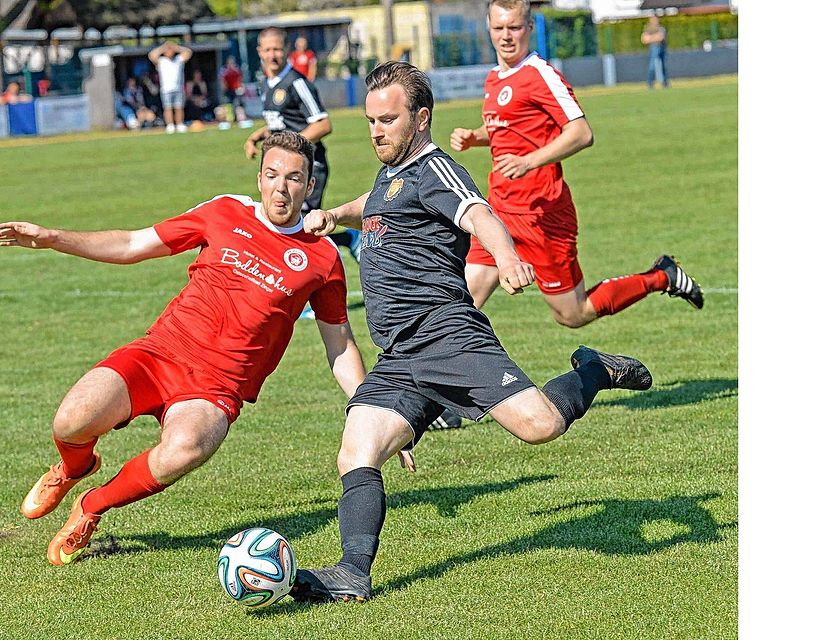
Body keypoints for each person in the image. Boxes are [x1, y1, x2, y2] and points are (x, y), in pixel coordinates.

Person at [290, 61, 654, 603]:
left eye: (388, 120)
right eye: (370, 121)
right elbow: (380, 203)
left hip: (448, 338)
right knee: (356, 449)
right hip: (401, 353)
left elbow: (480, 214)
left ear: (421, 119)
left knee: (539, 427)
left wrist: (505, 258)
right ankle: (352, 572)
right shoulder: (393, 168)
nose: (376, 131)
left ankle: (594, 371)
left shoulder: (437, 168)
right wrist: (336, 213)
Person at [0, 131, 414, 566]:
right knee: (70, 421)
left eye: (293, 178)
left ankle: (91, 506)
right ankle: (74, 468)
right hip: (160, 354)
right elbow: (134, 244)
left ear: (309, 186)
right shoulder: (223, 211)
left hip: (217, 387)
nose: (280, 188)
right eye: (271, 175)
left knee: (187, 448)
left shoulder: (322, 257)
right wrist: (53, 237)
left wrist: (373, 410)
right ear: (259, 177)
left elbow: (339, 346)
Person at [449, 0, 700, 331]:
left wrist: (530, 161)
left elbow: (581, 133)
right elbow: (508, 130)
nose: (506, 36)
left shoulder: (540, 75)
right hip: (499, 211)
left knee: (573, 313)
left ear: (529, 29)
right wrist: (476, 137)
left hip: (543, 214)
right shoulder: (495, 78)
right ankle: (433, 378)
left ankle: (661, 276)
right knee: (461, 305)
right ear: (489, 30)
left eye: (514, 27)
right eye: (499, 28)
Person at [245, 27, 361, 264]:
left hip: (309, 167)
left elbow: (322, 124)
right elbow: (283, 124)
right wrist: (257, 136)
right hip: (286, 171)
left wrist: (292, 149)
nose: (272, 55)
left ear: (286, 49)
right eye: (267, 50)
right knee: (292, 227)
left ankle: (315, 285)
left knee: (302, 228)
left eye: (277, 49)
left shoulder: (296, 83)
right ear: (260, 52)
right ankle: (347, 239)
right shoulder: (268, 83)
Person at [148, 41, 192, 133]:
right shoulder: (162, 61)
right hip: (166, 89)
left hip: (178, 88)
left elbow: (188, 52)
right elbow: (151, 55)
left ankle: (179, 124)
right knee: (167, 108)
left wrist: (177, 47)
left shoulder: (178, 59)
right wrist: (163, 47)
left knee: (178, 107)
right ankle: (170, 125)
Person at [641, 15, 670, 89]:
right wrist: (655, 37)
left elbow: (660, 37)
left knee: (663, 66)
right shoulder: (647, 28)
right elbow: (644, 39)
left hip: (662, 47)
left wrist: (651, 37)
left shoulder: (661, 28)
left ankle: (665, 83)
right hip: (654, 48)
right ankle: (650, 83)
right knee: (652, 66)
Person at [219, 57, 248, 124]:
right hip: (228, 90)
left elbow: (240, 79)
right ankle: (230, 120)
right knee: (229, 105)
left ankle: (241, 119)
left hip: (236, 90)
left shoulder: (236, 70)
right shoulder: (225, 71)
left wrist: (241, 87)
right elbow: (223, 81)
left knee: (238, 105)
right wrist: (224, 89)